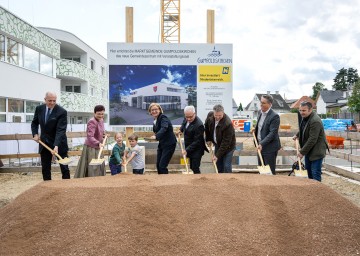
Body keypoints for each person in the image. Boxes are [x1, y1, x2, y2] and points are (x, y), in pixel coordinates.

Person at [31, 92, 70, 181]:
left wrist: (56, 145)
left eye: (54, 101)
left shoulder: (62, 112)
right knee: (45, 168)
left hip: (59, 142)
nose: (52, 103)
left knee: (64, 168)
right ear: (45, 100)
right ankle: (47, 186)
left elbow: (60, 130)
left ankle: (67, 186)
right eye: (50, 100)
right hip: (44, 142)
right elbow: (34, 122)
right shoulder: (39, 109)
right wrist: (35, 134)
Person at [293, 101, 329, 182]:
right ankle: (311, 191)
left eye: (304, 110)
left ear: (310, 110)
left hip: (316, 150)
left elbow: (312, 139)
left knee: (315, 173)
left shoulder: (315, 121)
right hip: (309, 150)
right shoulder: (305, 118)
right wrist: (297, 135)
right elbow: (304, 128)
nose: (302, 112)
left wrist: (302, 152)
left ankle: (318, 191)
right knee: (309, 172)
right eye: (300, 110)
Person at [74, 105, 106, 178]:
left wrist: (104, 135)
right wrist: (98, 143)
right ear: (94, 113)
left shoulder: (101, 120)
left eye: (102, 114)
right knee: (92, 166)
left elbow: (101, 131)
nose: (101, 115)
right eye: (99, 114)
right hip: (91, 147)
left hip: (98, 146)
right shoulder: (92, 122)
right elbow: (90, 136)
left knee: (99, 165)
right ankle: (91, 181)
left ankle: (99, 180)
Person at [253, 94, 281, 175]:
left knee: (269, 172)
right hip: (260, 146)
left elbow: (272, 133)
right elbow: (261, 127)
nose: (261, 104)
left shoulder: (274, 116)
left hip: (270, 148)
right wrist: (255, 130)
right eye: (260, 102)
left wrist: (261, 143)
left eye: (263, 103)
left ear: (270, 104)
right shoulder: (259, 112)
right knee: (261, 169)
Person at [177, 105, 208, 174]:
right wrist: (181, 130)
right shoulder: (187, 117)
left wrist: (186, 150)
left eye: (190, 117)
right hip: (190, 146)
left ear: (195, 114)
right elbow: (184, 123)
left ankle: (199, 180)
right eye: (186, 117)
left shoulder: (199, 125)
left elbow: (197, 141)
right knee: (191, 167)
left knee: (195, 167)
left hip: (197, 149)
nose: (188, 119)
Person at [204, 104, 236, 173]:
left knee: (226, 166)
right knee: (218, 165)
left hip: (228, 147)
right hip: (217, 144)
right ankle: (220, 181)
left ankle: (229, 181)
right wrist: (208, 139)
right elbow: (206, 126)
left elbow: (226, 142)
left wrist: (217, 155)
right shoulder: (210, 116)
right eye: (216, 115)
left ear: (223, 113)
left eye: (220, 115)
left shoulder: (228, 123)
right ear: (213, 113)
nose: (217, 117)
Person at [149, 103, 177, 174]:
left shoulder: (163, 117)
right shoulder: (155, 120)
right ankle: (160, 182)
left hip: (169, 144)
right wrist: (154, 136)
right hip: (162, 143)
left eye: (156, 109)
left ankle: (165, 182)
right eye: (152, 110)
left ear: (160, 110)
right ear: (150, 111)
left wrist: (156, 136)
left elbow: (164, 127)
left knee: (162, 166)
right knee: (158, 165)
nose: (154, 111)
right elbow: (158, 131)